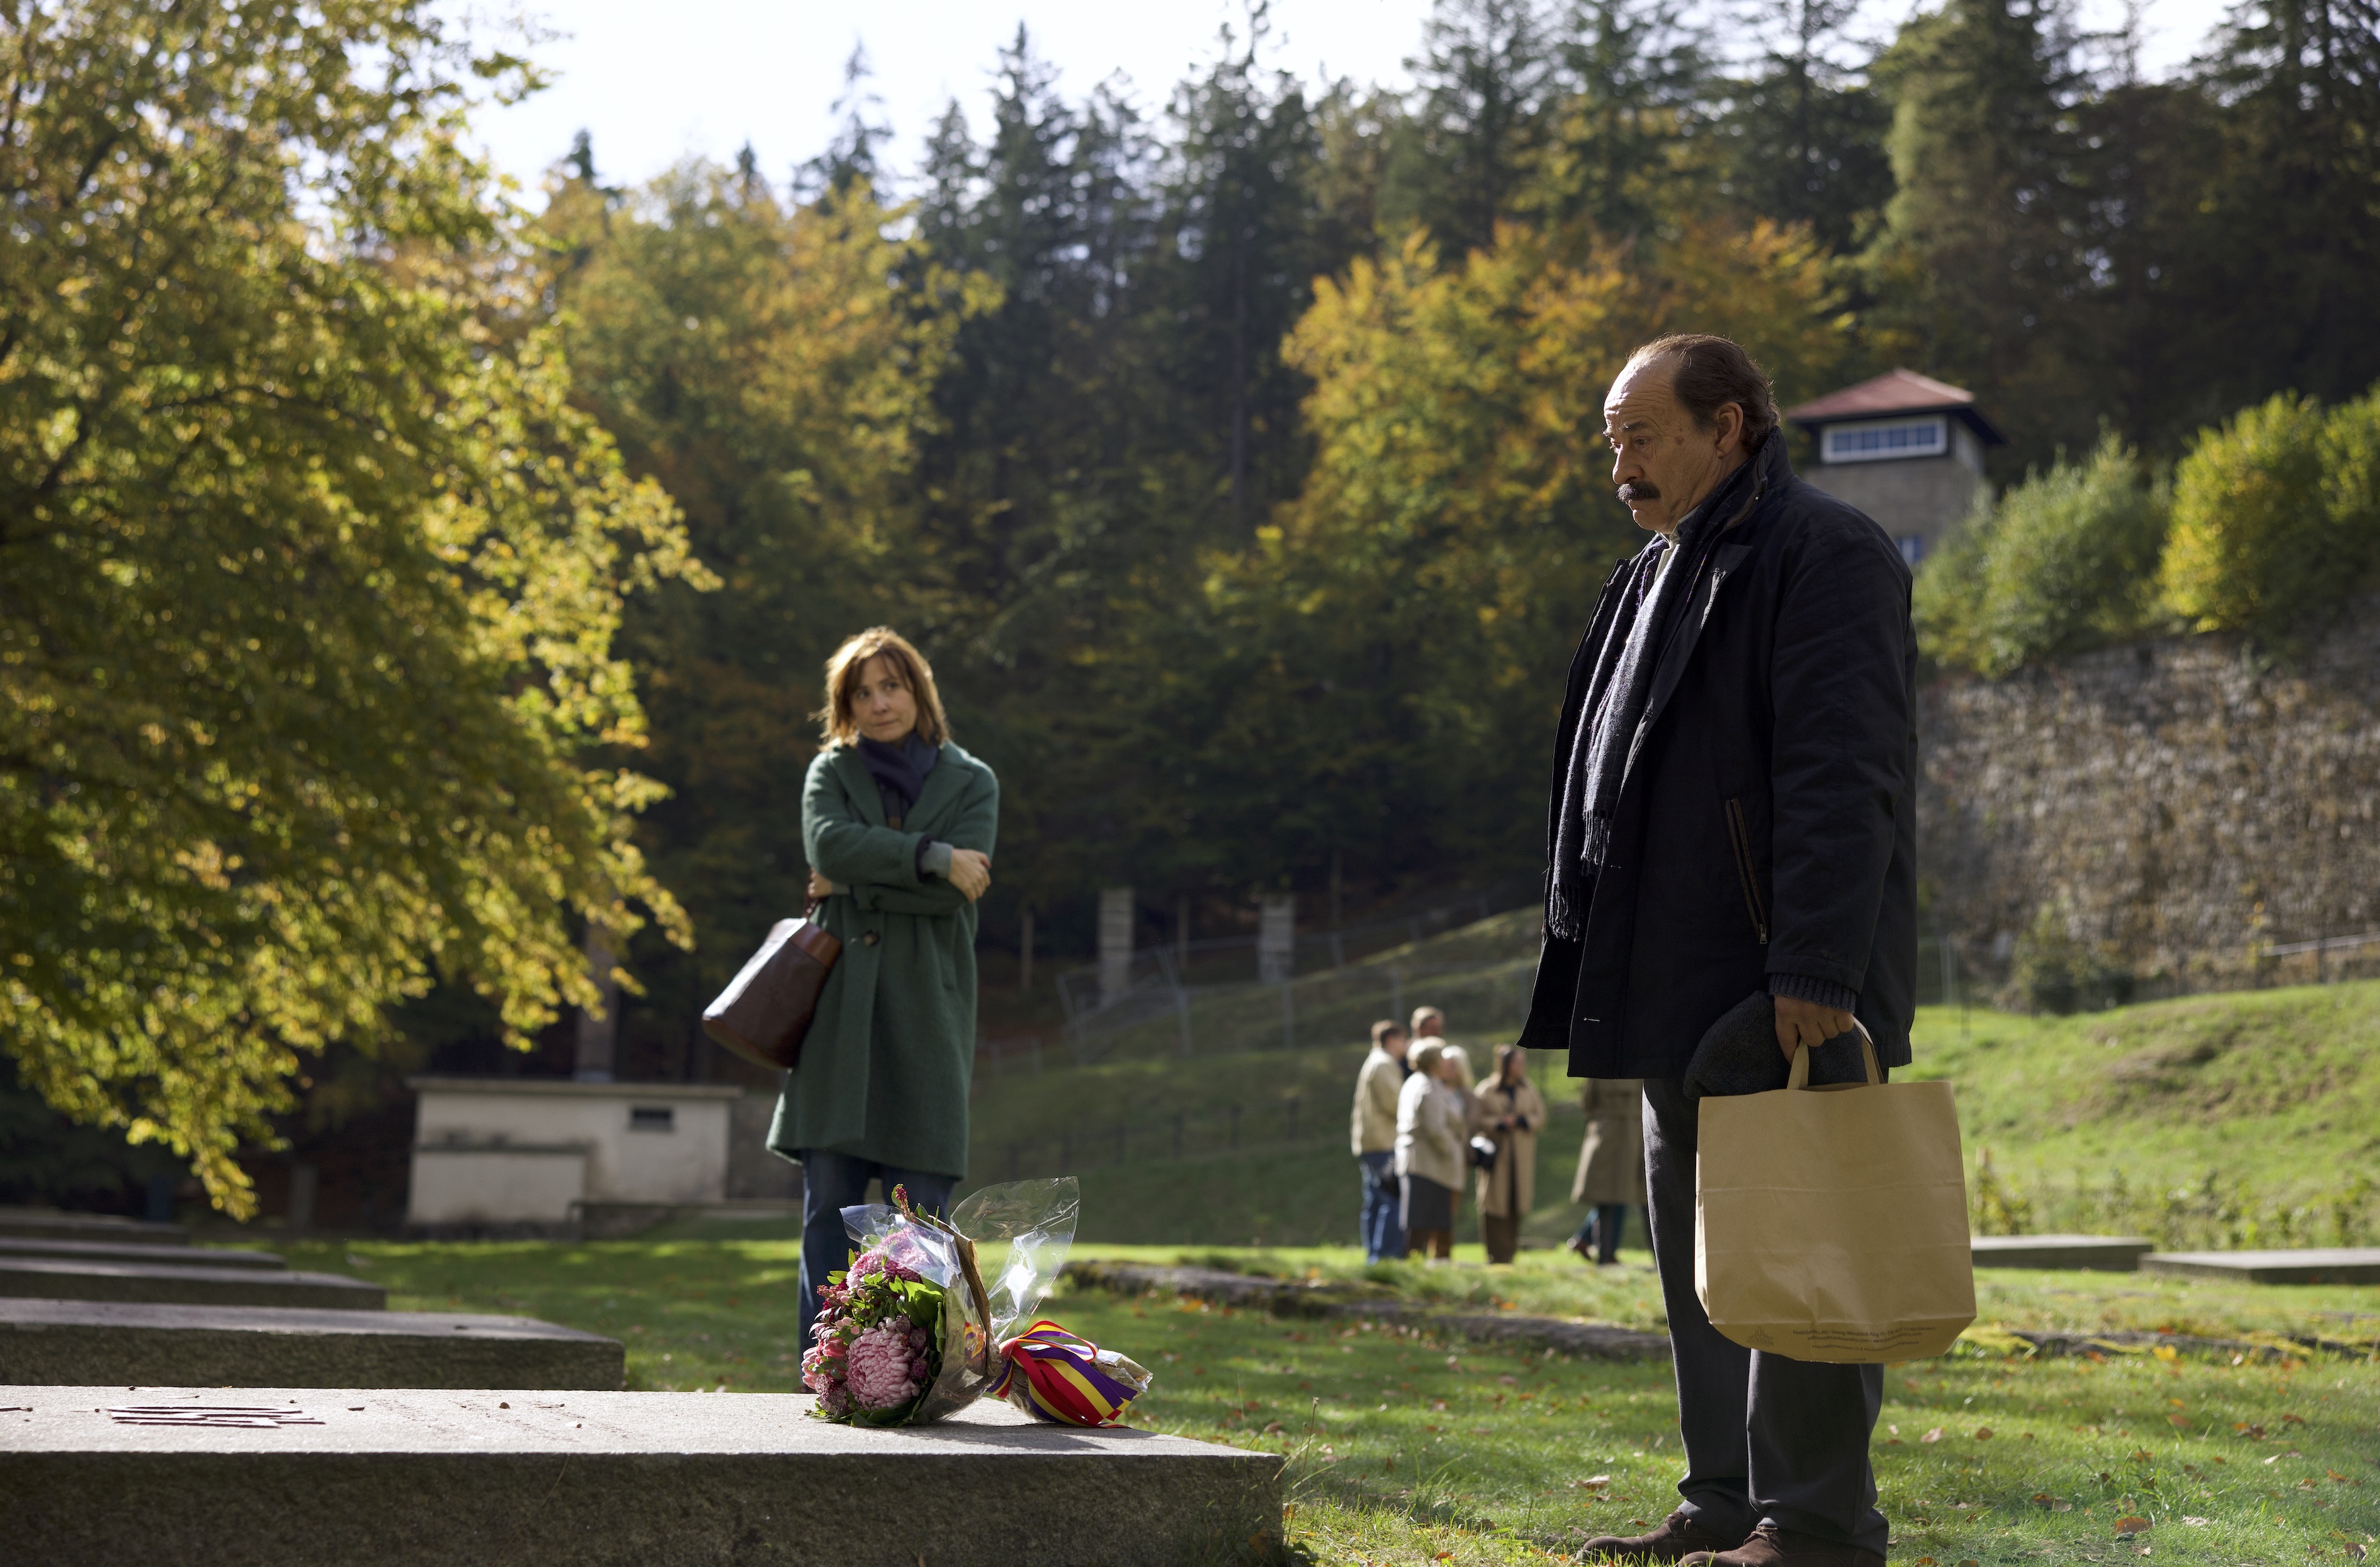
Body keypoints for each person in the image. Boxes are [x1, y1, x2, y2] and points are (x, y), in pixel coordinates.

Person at [1518, 335, 1916, 1567]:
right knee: (1706, 1265)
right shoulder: (1650, 570)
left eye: (1640, 435)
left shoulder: (1824, 552)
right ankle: (1727, 1504)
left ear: (1729, 425)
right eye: (1610, 439)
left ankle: (1814, 1528)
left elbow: (1842, 774)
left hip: (1775, 982)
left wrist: (1813, 968)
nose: (1619, 463)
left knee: (1803, 1249)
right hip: (1666, 980)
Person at [770, 627, 999, 1355]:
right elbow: (827, 846)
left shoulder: (973, 780)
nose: (878, 703)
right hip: (838, 1017)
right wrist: (930, 856)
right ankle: (824, 1369)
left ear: (917, 690)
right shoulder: (829, 771)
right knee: (825, 1219)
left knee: (922, 1223)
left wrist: (854, 884)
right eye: (861, 692)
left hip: (926, 1017)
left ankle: (908, 1374)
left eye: (890, 686)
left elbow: (950, 901)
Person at [1470, 1043, 1546, 1264]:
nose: (1521, 1066)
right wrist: (1499, 1124)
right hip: (1496, 1158)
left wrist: (1522, 1121)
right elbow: (1476, 1119)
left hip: (1520, 1158)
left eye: (1523, 1062)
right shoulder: (1486, 1089)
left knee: (1516, 1203)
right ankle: (1495, 1256)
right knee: (1494, 1205)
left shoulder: (1528, 1088)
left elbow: (1540, 1116)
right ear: (1505, 1065)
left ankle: (1510, 1255)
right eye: (1517, 1062)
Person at [1393, 1040, 1465, 1261]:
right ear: (1434, 1062)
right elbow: (1435, 1129)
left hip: (1427, 1163)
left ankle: (1422, 1268)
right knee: (1422, 1222)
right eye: (1443, 1058)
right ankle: (1416, 1269)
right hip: (1428, 1164)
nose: (1447, 1063)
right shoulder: (1427, 1087)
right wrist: (1451, 1152)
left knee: (1426, 1221)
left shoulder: (1421, 1082)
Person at [1350, 1018, 1413, 1262]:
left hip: (1370, 1143)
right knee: (1391, 1201)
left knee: (1375, 1202)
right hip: (1384, 1143)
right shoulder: (1385, 1064)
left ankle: (1373, 1257)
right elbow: (1397, 1103)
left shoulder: (1373, 1061)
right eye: (1403, 1040)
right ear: (1391, 1040)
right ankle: (1386, 1256)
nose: (1405, 1046)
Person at [1567, 1076, 1645, 1265]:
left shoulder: (1597, 1067)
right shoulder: (1640, 1064)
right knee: (1616, 1194)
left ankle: (1589, 1243)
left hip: (1605, 1132)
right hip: (1632, 1133)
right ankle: (1602, 1251)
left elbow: (1587, 1102)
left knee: (1611, 1195)